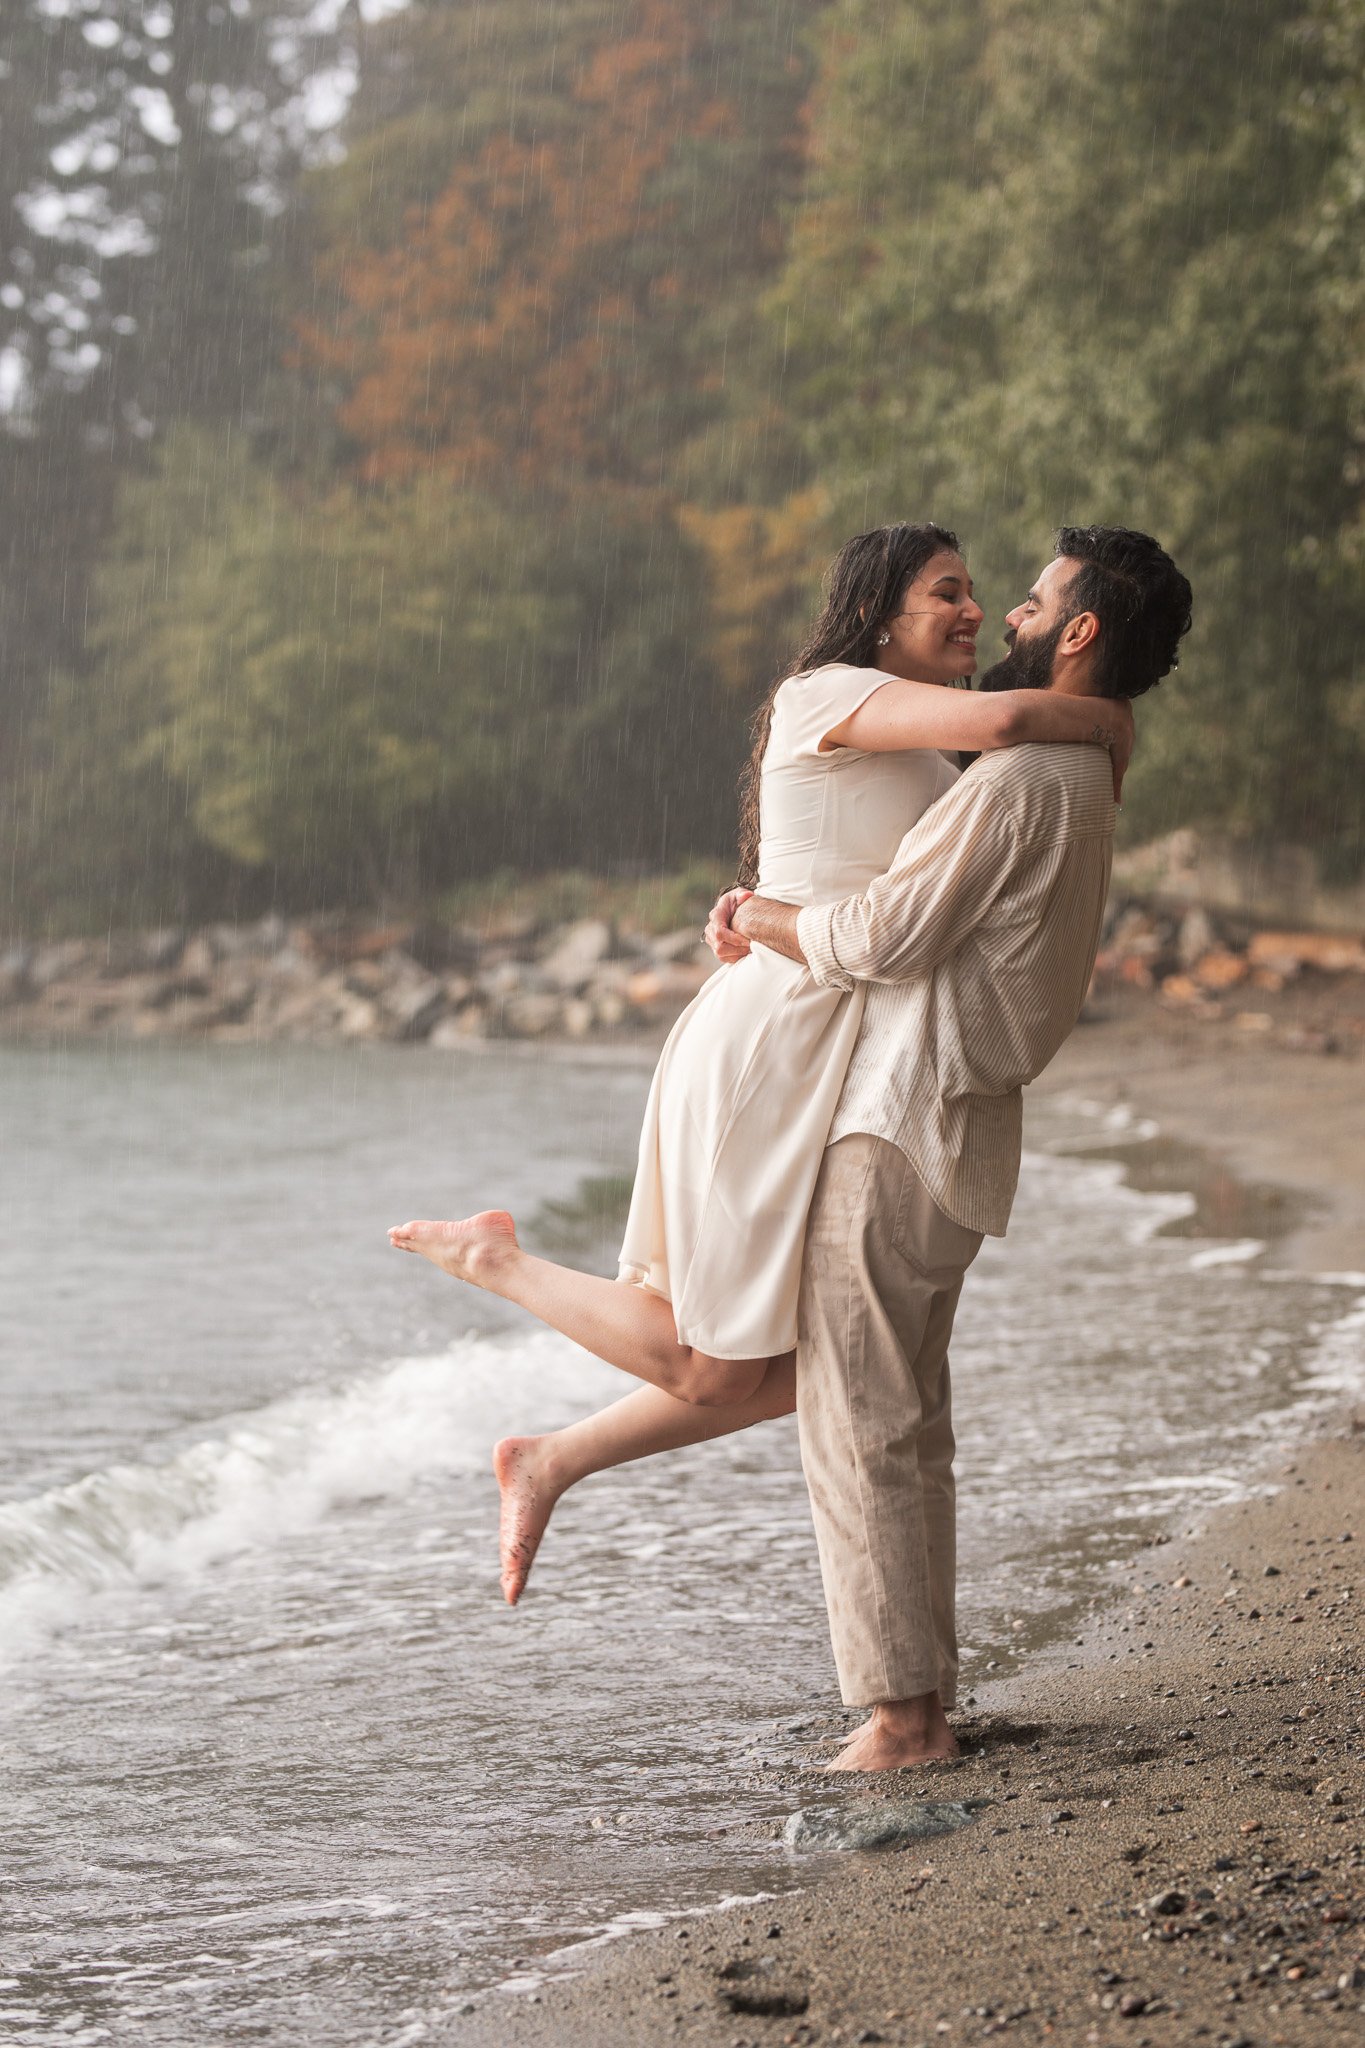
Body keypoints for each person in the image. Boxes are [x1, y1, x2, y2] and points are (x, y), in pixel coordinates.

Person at [389, 525, 1159, 1754]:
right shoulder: (850, 696)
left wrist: (761, 903)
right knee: (754, 1367)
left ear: (1074, 630)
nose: (977, 610)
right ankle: (506, 1286)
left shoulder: (983, 751)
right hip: (779, 1044)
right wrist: (1111, 722)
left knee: (805, 1380)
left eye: (996, 595)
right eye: (948, 591)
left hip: (855, 1057)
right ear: (878, 610)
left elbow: (917, 892)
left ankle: (896, 1700)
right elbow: (1015, 735)